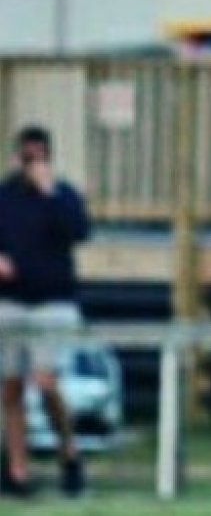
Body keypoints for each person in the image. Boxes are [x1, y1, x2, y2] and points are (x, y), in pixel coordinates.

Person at [0, 125, 90, 498]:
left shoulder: (63, 195)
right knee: (10, 387)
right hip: (11, 301)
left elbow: (80, 232)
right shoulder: (4, 196)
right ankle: (17, 469)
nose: (32, 163)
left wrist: (49, 191)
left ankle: (68, 452)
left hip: (53, 303)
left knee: (46, 382)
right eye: (27, 156)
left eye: (38, 156)